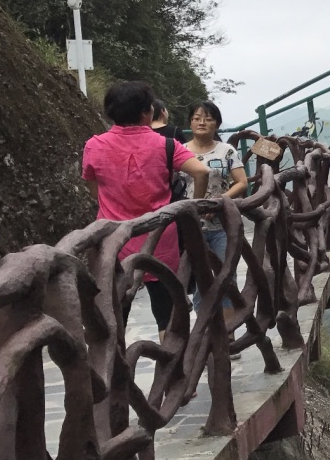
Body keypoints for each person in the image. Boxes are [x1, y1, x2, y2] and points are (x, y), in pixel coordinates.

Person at [81, 80, 209, 339]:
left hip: (113, 242)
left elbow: (94, 191)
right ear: (146, 112)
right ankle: (172, 372)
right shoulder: (165, 144)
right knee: (166, 314)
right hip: (159, 239)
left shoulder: (94, 145)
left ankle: (116, 374)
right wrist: (193, 207)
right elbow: (201, 171)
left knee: (115, 313)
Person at [185, 100, 249, 314]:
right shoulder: (180, 151)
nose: (202, 122)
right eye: (196, 118)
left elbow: (242, 182)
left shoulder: (226, 151)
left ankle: (228, 336)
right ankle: (207, 335)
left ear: (217, 124)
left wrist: (220, 201)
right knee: (201, 280)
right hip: (192, 227)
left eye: (208, 119)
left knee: (226, 277)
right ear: (190, 123)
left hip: (222, 226)